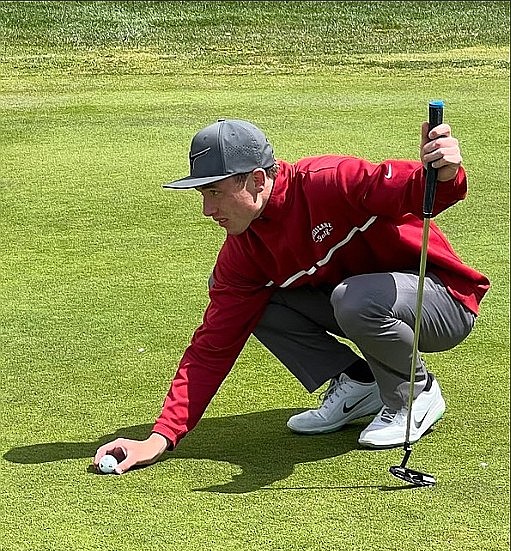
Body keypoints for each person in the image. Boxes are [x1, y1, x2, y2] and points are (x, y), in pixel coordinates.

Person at [94, 117, 490, 474]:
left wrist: (446, 170)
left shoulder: (329, 179)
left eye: (214, 192)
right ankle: (360, 382)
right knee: (252, 302)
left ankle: (413, 393)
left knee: (354, 297)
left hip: (441, 301)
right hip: (365, 306)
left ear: (257, 181)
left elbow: (424, 192)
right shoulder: (245, 250)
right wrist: (160, 437)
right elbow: (213, 345)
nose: (206, 209)